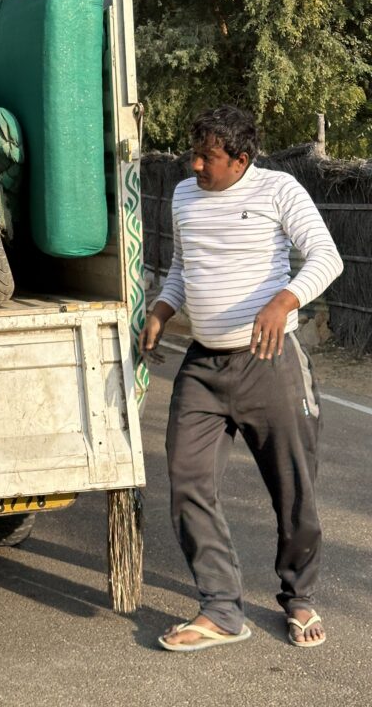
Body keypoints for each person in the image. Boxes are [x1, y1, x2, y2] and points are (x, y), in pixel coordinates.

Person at [141, 105, 343, 652]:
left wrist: (285, 300)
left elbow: (327, 256)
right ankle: (222, 610)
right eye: (194, 152)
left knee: (293, 491)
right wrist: (161, 309)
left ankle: (299, 597)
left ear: (241, 159)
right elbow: (182, 268)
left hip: (269, 363)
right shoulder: (185, 196)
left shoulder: (279, 190)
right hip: (204, 365)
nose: (195, 164)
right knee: (187, 483)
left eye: (207, 156)